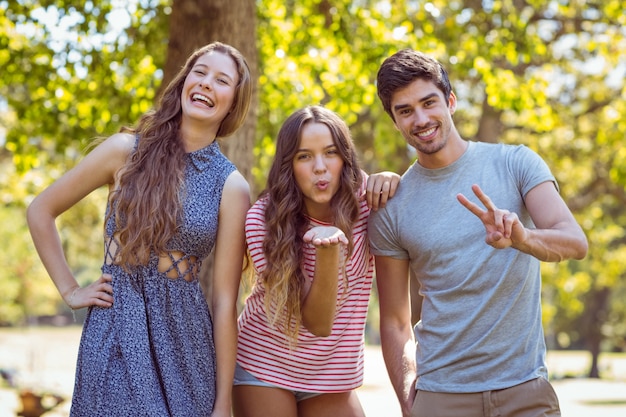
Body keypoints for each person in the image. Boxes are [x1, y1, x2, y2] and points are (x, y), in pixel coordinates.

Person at [26, 41, 252, 417]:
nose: (207, 83)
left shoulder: (231, 186)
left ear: (233, 103)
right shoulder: (125, 151)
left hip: (186, 344)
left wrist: (223, 401)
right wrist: (70, 289)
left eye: (221, 80)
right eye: (200, 72)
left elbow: (225, 301)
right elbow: (41, 210)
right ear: (184, 82)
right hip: (116, 324)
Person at [368, 49, 588, 417]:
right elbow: (394, 320)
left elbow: (574, 242)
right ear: (394, 120)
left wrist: (524, 239)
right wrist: (411, 400)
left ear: (451, 102)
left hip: (525, 392)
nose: (421, 119)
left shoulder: (516, 163)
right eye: (405, 111)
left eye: (429, 103)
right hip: (441, 395)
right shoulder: (391, 207)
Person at [232, 105, 399, 417]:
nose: (320, 167)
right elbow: (318, 322)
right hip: (265, 363)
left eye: (330, 153)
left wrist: (392, 178)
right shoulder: (263, 220)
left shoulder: (365, 200)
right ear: (289, 165)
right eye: (304, 156)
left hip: (331, 373)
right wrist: (328, 252)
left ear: (344, 159)